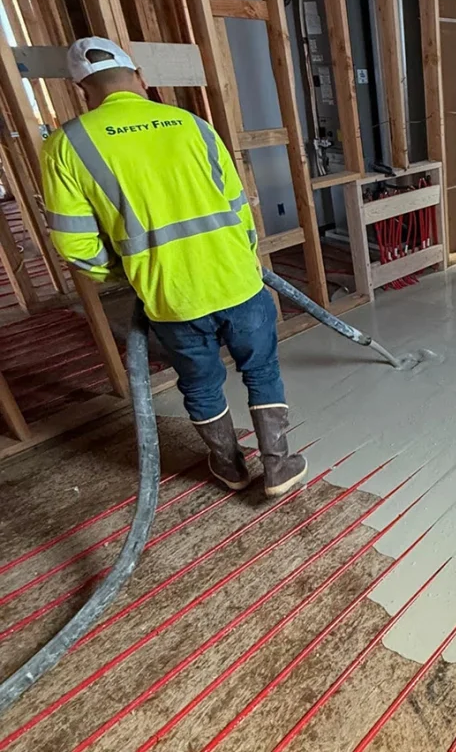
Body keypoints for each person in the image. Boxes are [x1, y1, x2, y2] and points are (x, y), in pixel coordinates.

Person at [41, 37, 307, 498]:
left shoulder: (69, 145)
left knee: (200, 382)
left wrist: (126, 273)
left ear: (82, 90)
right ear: (140, 78)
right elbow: (238, 206)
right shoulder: (193, 125)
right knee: (261, 370)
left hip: (170, 297)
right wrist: (242, 255)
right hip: (238, 281)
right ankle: (279, 466)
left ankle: (230, 466)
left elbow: (76, 244)